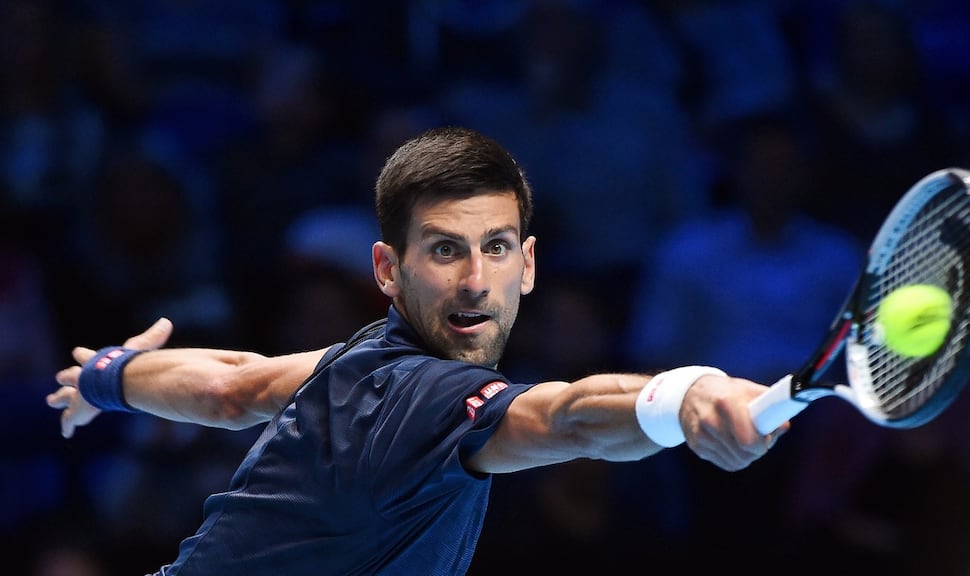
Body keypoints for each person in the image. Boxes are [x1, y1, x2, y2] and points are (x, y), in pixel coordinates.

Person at [46, 126, 785, 575]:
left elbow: (233, 387)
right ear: (388, 269)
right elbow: (567, 418)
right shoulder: (417, 396)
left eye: (495, 248)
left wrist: (111, 374)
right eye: (443, 251)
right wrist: (683, 395)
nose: (474, 281)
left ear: (527, 264)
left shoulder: (356, 363)